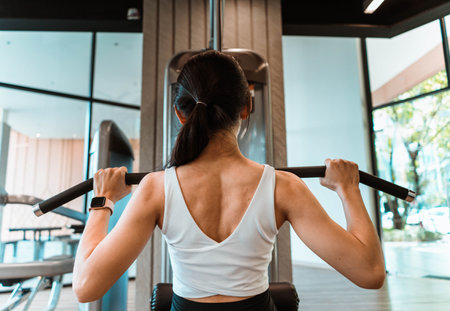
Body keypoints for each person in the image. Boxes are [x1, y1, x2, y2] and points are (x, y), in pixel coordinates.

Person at [73, 51, 385, 311]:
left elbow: (86, 287)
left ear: (181, 114)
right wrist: (347, 188)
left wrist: (103, 201)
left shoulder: (155, 188)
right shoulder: (285, 187)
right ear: (247, 107)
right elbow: (370, 273)